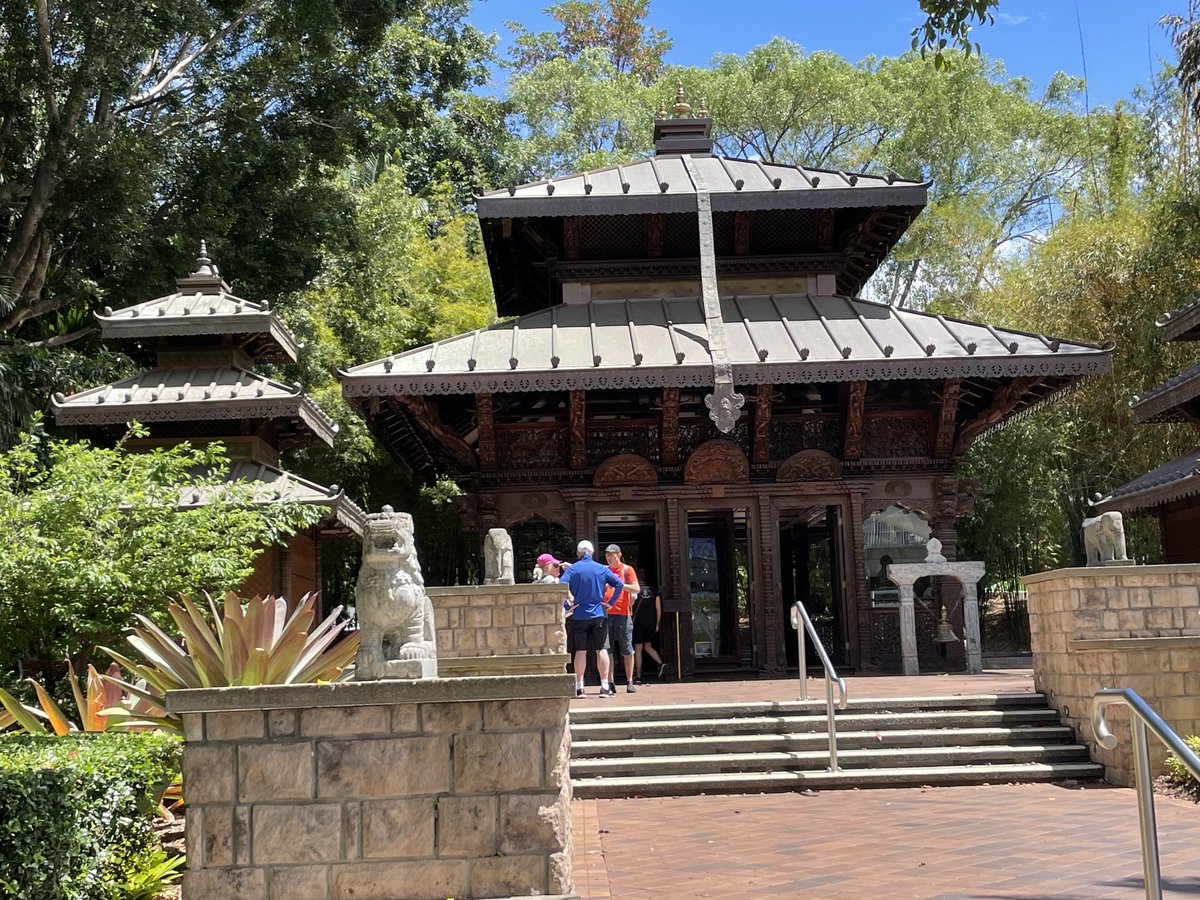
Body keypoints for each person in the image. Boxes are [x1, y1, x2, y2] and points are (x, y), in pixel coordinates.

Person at [564, 540, 623, 698]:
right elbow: (619, 584)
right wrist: (610, 603)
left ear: (578, 553)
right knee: (602, 649)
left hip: (579, 614)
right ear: (592, 553)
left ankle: (579, 687)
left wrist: (566, 605)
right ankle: (604, 686)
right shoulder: (601, 569)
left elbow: (560, 585)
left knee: (580, 651)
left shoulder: (573, 569)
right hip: (599, 613)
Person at [602, 543, 640, 693]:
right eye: (607, 555)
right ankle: (610, 682)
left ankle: (630, 680)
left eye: (612, 554)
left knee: (627, 648)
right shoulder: (604, 571)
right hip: (606, 614)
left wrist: (619, 585)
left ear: (619, 555)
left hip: (624, 614)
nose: (609, 557)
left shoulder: (627, 569)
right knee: (608, 649)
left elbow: (636, 588)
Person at [632, 571, 666, 683]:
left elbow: (630, 607)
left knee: (638, 649)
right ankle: (661, 663)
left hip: (638, 622)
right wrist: (657, 623)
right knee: (648, 646)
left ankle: (638, 676)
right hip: (650, 622)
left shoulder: (635, 591)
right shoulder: (653, 591)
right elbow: (658, 608)